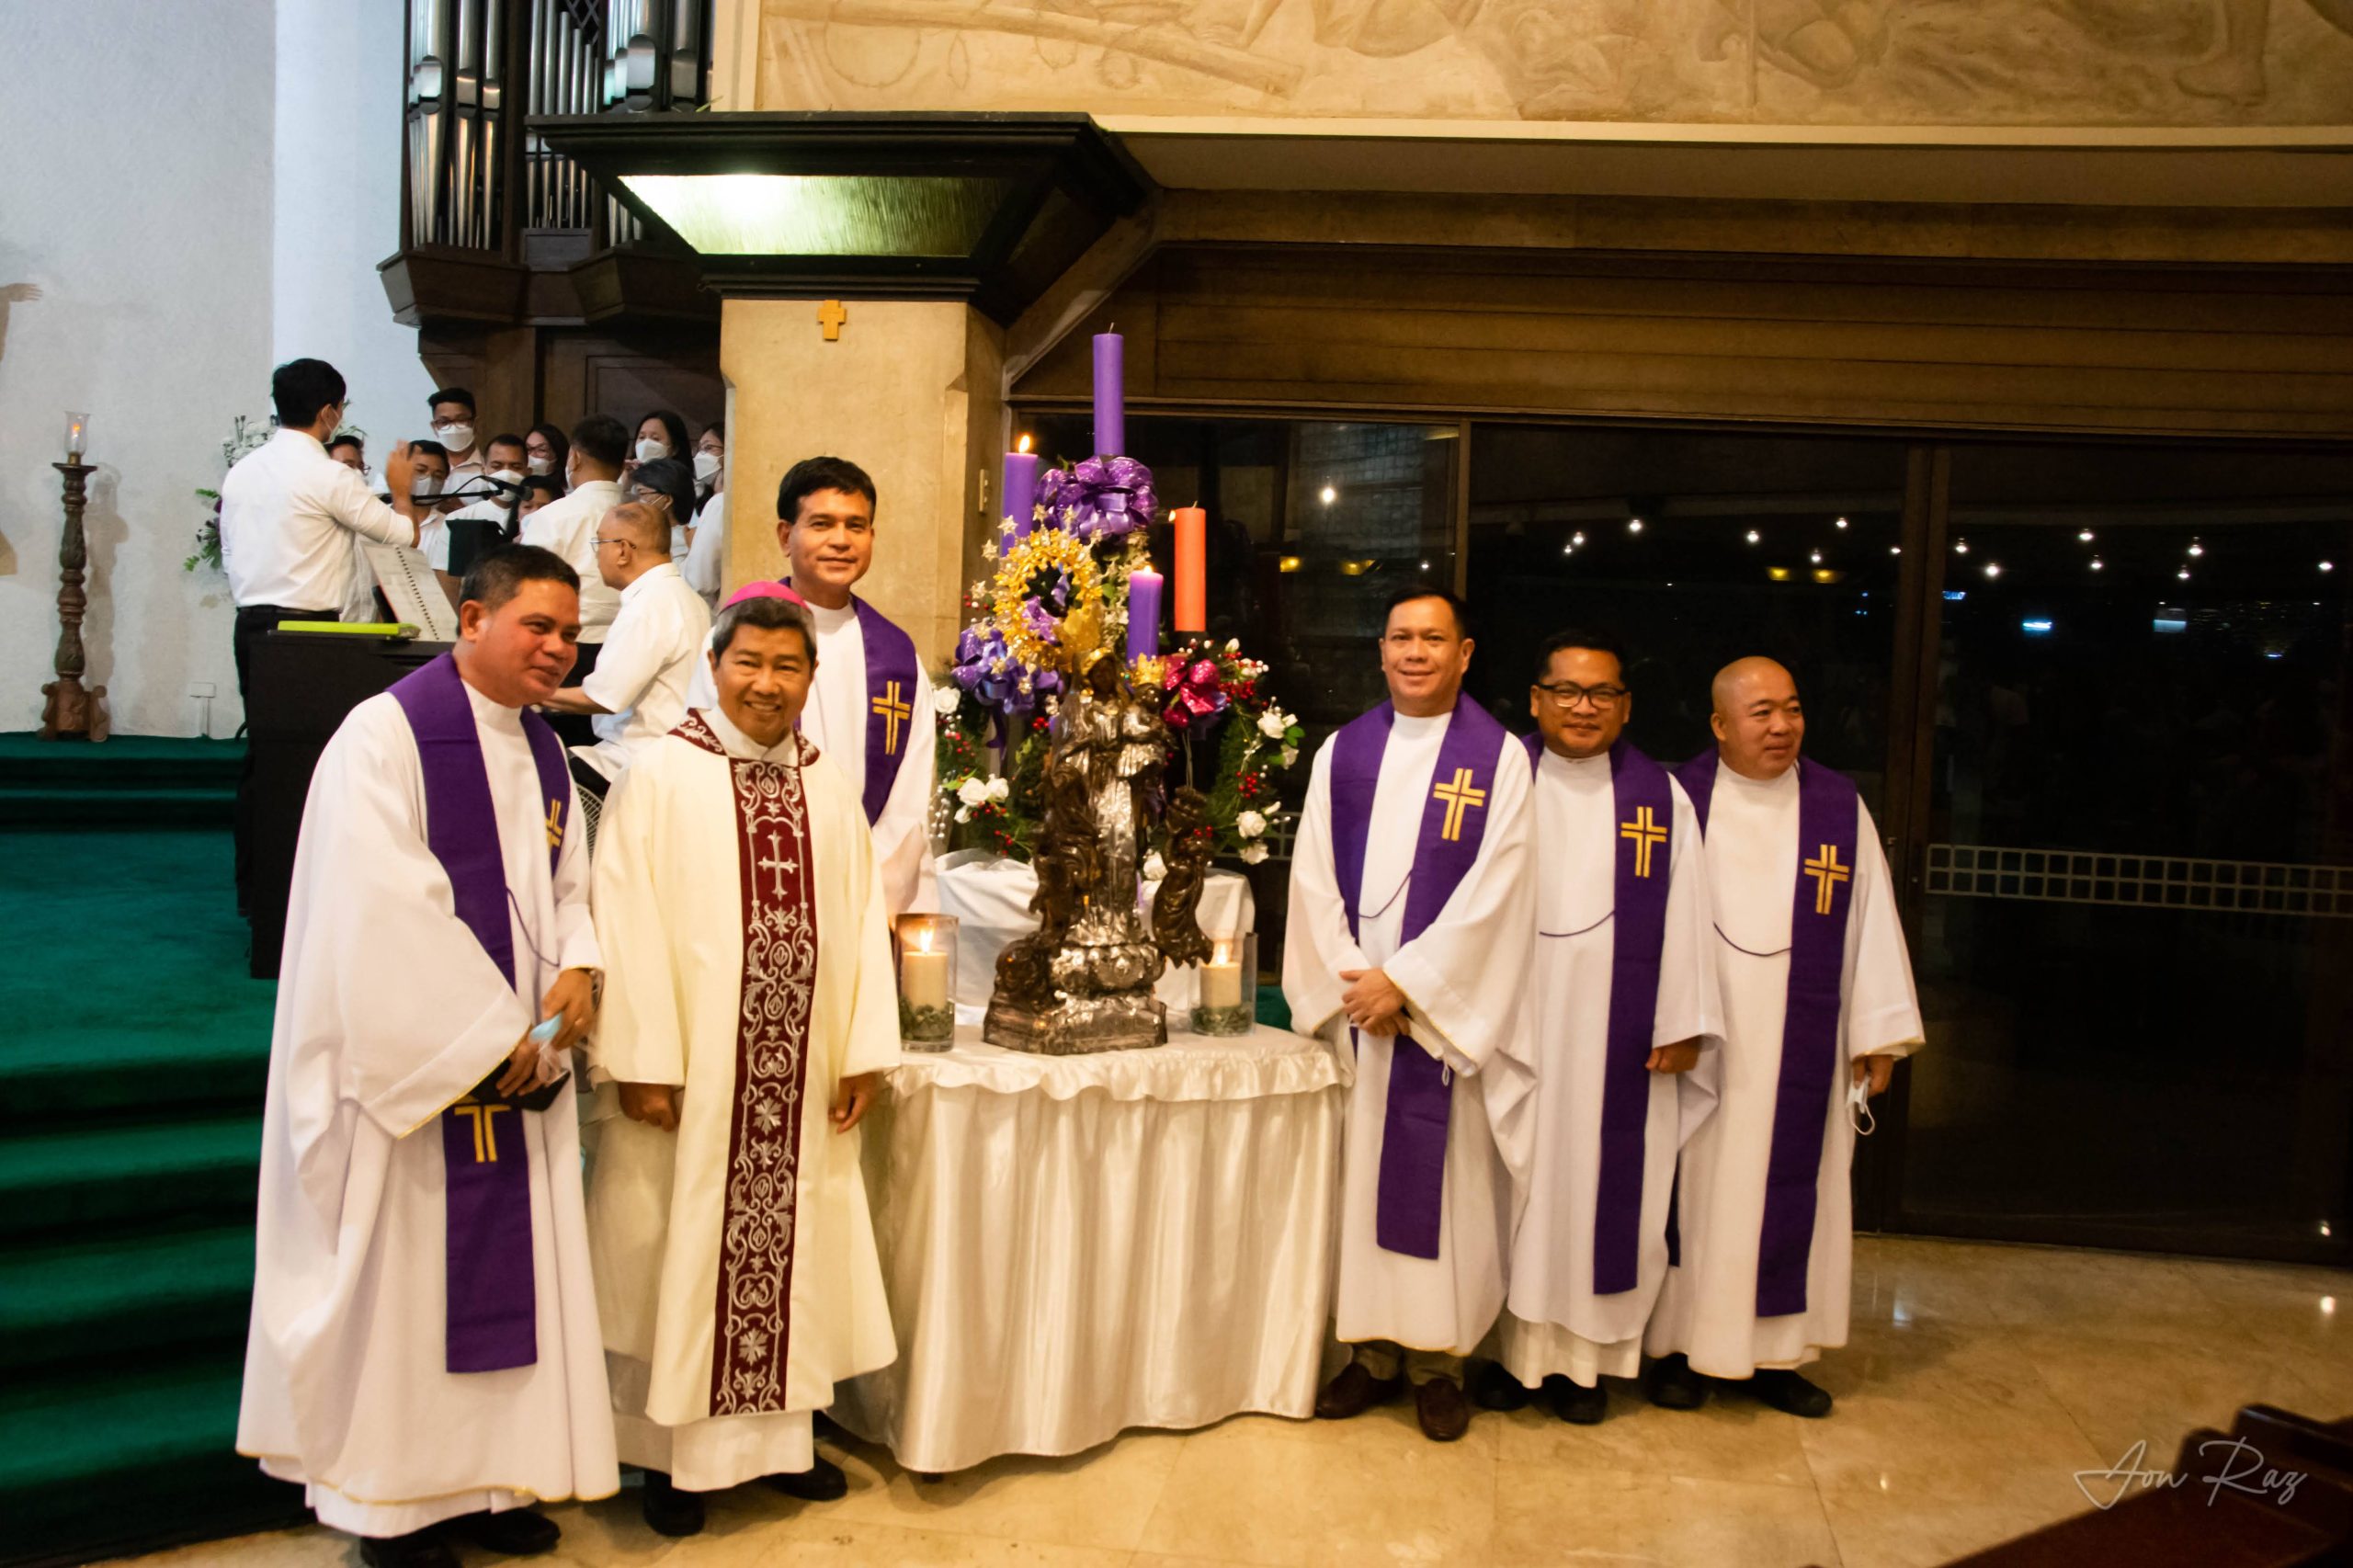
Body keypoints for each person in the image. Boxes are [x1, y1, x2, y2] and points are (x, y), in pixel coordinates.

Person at [237, 546, 616, 1568]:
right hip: (420, 1075)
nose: (556, 646)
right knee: (411, 1282)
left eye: (568, 631)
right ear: (472, 618)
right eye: (535, 624)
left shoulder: (542, 749)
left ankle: (493, 1479)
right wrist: (490, 1040)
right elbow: (378, 908)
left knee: (511, 1279)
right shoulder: (388, 734)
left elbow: (570, 880)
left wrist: (580, 969)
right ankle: (397, 1505)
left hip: (520, 1057)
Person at [586, 586, 898, 1538]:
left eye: (787, 666)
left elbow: (856, 918)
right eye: (748, 664)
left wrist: (862, 1051)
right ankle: (668, 1460)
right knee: (673, 1250)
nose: (767, 684)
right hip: (694, 1074)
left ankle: (781, 1446)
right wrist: (641, 1055)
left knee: (795, 1242)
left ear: (810, 678)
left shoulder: (824, 779)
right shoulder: (661, 772)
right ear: (713, 667)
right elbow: (623, 917)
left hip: (799, 1075)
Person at [1282, 585, 1537, 1443]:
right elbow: (1312, 876)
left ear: (1466, 654)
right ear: (1381, 650)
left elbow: (1498, 893)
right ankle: (1370, 1355)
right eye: (1401, 638)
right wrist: (1359, 987)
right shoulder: (1343, 753)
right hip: (1365, 1020)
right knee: (1362, 1191)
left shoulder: (1497, 759)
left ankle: (1438, 1364)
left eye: (1435, 639)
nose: (1416, 653)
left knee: (1449, 1191)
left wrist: (1412, 987)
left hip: (1433, 1024)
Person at [1642, 656, 1923, 1419]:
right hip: (1707, 1040)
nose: (1781, 725)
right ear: (1719, 725)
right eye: (1761, 712)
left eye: (1792, 709)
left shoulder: (1837, 807)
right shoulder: (1679, 800)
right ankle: (1678, 1350)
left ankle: (1776, 1355)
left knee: (1798, 1191)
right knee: (1693, 1198)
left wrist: (1878, 1034)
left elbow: (1871, 925)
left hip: (1806, 1043)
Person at [1477, 630, 1722, 1426]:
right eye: (1568, 692)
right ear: (1537, 700)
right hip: (1513, 1016)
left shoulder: (1662, 800)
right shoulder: (1498, 778)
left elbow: (1690, 912)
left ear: (1626, 708)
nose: (1585, 708)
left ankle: (1581, 1368)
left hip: (1620, 1030)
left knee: (1603, 1187)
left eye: (1603, 695)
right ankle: (1507, 1359)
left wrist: (1683, 1020)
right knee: (1507, 1184)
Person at [685, 456, 938, 916]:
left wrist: (868, 891)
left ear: (872, 538)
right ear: (786, 536)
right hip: (760, 876)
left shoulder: (898, 658)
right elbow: (707, 758)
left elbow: (909, 796)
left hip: (867, 893)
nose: (841, 541)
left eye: (856, 526)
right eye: (821, 523)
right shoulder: (737, 641)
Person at [219, 358, 422, 910]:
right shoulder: (330, 475)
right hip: (309, 632)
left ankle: (255, 892)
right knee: (311, 760)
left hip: (252, 623)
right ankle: (304, 890)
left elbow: (232, 553)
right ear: (330, 413)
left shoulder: (242, 472)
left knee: (264, 757)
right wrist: (401, 489)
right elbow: (401, 535)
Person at [540, 501, 710, 800]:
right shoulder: (684, 596)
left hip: (636, 759)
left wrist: (533, 694)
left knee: (531, 774)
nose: (596, 555)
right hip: (673, 753)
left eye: (598, 543)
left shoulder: (649, 606)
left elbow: (603, 698)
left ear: (622, 550)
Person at [519, 414, 629, 644]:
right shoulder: (644, 517)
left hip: (565, 641)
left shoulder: (551, 517)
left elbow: (531, 589)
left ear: (574, 458)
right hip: (627, 642)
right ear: (621, 466)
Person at [441, 433, 532, 577]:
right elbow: (447, 578)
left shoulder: (540, 518)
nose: (506, 473)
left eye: (515, 467)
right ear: (484, 469)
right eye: (497, 466)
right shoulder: (459, 519)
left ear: (528, 472)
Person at [682, 423, 727, 606]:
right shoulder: (708, 500)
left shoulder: (720, 503)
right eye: (699, 449)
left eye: (709, 448)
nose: (700, 456)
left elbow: (700, 580)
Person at [629, 456, 697, 562]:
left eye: (642, 493)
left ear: (667, 500)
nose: (638, 501)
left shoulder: (683, 546)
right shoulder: (639, 535)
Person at [405, 439, 454, 571]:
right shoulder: (380, 517)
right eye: (420, 471)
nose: (429, 479)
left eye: (438, 475)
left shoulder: (448, 527)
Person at [428, 386, 484, 487]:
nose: (453, 428)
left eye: (461, 420)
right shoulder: (425, 471)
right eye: (444, 422)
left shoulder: (489, 469)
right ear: (434, 427)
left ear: (476, 424)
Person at [525, 423, 570, 489]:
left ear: (557, 454)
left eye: (541, 450)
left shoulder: (568, 490)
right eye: (528, 449)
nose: (532, 455)